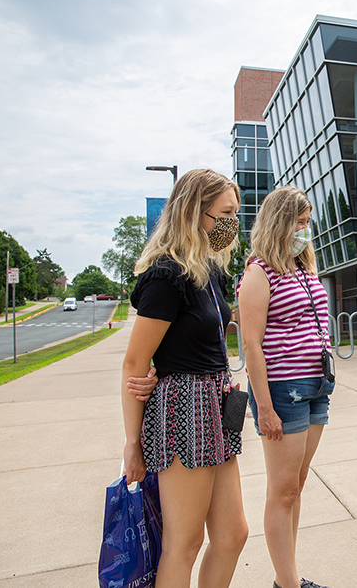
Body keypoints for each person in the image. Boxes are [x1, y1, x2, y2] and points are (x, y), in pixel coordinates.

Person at [121, 168, 249, 588]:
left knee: (232, 535)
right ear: (195, 212)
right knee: (185, 542)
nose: (233, 222)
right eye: (225, 213)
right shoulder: (166, 275)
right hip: (183, 410)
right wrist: (133, 443)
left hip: (216, 403)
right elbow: (134, 362)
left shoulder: (210, 271)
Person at [236, 186, 335, 588]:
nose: (305, 230)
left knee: (296, 486)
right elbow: (251, 343)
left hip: (316, 386)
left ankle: (287, 577)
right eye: (300, 222)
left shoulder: (303, 267)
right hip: (284, 390)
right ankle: (288, 584)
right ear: (280, 222)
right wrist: (264, 407)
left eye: (308, 223)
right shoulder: (259, 271)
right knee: (283, 491)